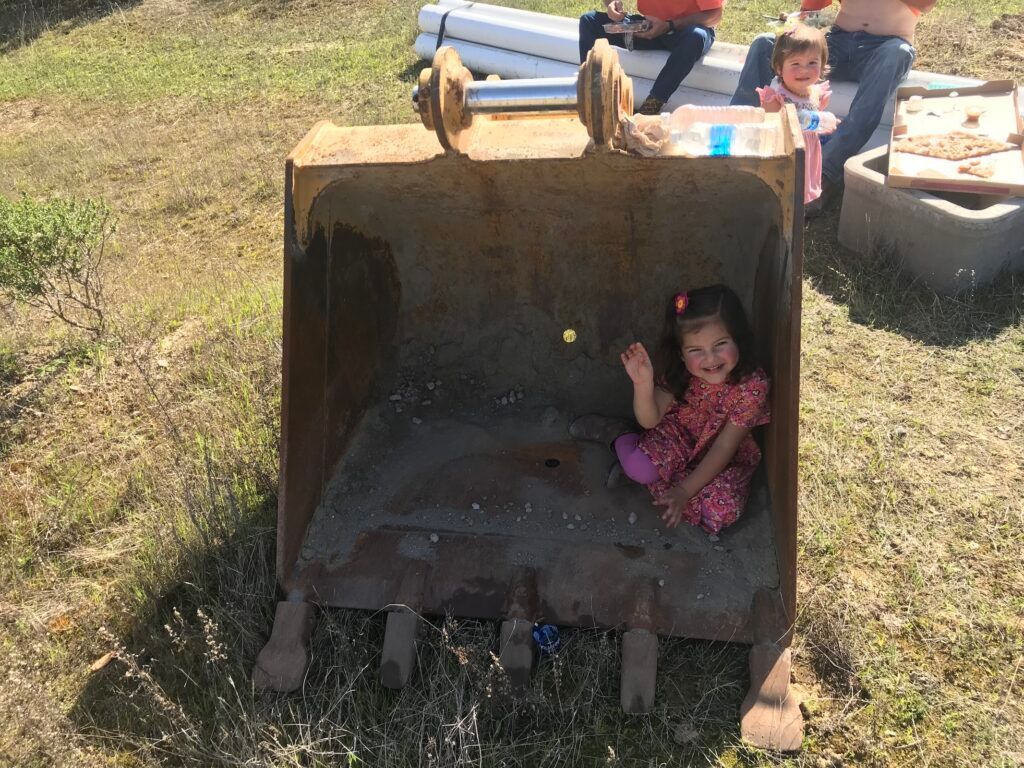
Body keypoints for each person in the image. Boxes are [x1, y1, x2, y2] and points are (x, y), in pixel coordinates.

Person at [569, 285, 770, 533]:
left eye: (720, 344)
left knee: (722, 511)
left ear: (738, 339)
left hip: (720, 456)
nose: (710, 358)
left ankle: (656, 481)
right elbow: (649, 421)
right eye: (696, 350)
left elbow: (724, 446)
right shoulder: (680, 372)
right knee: (638, 467)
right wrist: (642, 385)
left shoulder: (753, 386)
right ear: (682, 354)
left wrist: (684, 491)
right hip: (677, 437)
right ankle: (618, 434)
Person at [730, 0, 936, 209]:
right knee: (764, 43)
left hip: (887, 46)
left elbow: (926, 4)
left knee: (896, 53)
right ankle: (733, 139)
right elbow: (813, 7)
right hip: (838, 40)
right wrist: (800, 24)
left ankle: (824, 174)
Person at [579, 0, 725, 115]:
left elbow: (714, 15)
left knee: (696, 36)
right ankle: (592, 97)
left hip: (686, 31)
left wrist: (670, 25)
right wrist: (612, 4)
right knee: (589, 22)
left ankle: (651, 106)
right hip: (648, 27)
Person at [756, 23, 838, 205]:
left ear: (822, 65)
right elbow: (777, 124)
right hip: (783, 157)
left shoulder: (816, 93)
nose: (804, 70)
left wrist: (825, 122)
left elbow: (813, 120)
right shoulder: (776, 98)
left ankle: (798, 212)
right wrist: (821, 120)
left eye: (812, 63)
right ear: (779, 68)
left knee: (798, 196)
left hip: (806, 155)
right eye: (795, 64)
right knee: (779, 195)